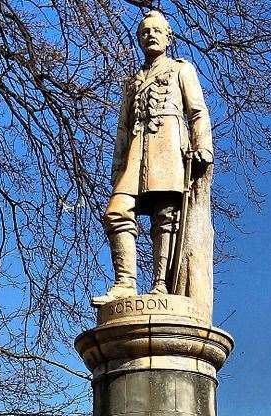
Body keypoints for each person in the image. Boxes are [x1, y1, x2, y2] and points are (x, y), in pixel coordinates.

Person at [93, 9, 214, 305]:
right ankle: (125, 282)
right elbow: (123, 128)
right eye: (145, 32)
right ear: (138, 39)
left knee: (165, 216)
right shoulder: (131, 82)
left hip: (169, 147)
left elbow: (197, 112)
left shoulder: (180, 69)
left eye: (157, 31)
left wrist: (203, 147)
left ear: (168, 37)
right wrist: (118, 168)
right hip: (136, 150)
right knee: (116, 211)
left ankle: (161, 284)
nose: (151, 36)